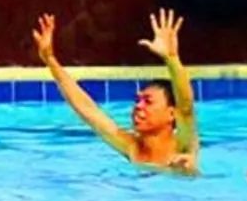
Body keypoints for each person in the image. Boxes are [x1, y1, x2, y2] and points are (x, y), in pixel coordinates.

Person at [31, 9, 200, 174]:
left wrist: (172, 59)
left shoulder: (183, 144)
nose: (138, 106)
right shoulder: (132, 147)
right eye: (138, 100)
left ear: (171, 114)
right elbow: (88, 111)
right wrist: (50, 60)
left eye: (148, 101)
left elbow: (185, 107)